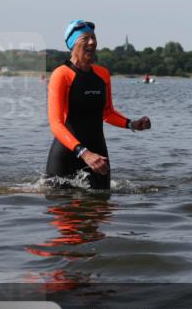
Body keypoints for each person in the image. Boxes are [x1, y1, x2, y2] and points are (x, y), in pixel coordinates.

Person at [46, 20, 151, 189]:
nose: (92, 42)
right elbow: (56, 124)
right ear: (73, 44)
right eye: (86, 38)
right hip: (67, 155)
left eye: (94, 38)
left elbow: (107, 112)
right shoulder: (61, 75)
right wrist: (84, 153)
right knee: (63, 209)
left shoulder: (102, 74)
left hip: (98, 154)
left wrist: (132, 124)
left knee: (102, 207)